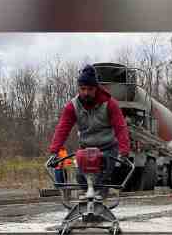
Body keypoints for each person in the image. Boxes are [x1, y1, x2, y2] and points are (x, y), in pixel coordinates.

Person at [45, 64, 131, 199]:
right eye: (82, 89)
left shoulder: (109, 103)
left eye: (90, 89)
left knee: (100, 180)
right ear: (79, 88)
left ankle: (100, 200)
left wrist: (124, 151)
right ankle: (88, 204)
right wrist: (54, 151)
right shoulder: (72, 106)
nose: (86, 92)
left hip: (107, 148)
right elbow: (63, 128)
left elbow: (120, 127)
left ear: (96, 88)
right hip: (86, 149)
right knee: (81, 177)